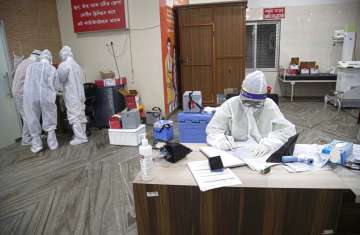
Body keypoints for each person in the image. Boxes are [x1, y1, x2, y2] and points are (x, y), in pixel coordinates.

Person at [206, 71, 296, 156]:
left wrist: (269, 145)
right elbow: (214, 130)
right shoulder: (230, 105)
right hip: (235, 153)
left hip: (263, 155)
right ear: (241, 95)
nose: (251, 107)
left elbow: (286, 132)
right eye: (247, 102)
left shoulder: (269, 106)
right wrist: (222, 141)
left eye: (257, 104)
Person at [23, 49, 59, 153]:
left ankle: (37, 145)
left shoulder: (31, 66)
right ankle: (52, 144)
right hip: (46, 97)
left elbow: (27, 82)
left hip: (31, 97)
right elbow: (56, 85)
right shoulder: (52, 69)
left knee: (32, 118)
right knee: (50, 116)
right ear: (50, 58)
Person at [57, 46, 88, 145]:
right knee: (81, 116)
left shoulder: (64, 65)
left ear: (63, 54)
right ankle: (82, 134)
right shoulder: (77, 65)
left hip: (72, 95)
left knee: (74, 117)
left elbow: (61, 79)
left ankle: (81, 137)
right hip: (80, 95)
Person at [12, 50, 41, 145]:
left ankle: (33, 136)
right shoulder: (31, 65)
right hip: (20, 93)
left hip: (19, 92)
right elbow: (34, 81)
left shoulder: (25, 62)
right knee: (27, 117)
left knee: (28, 116)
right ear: (37, 57)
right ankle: (26, 139)